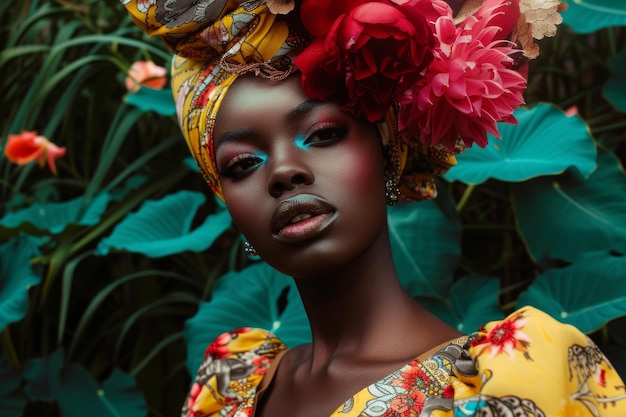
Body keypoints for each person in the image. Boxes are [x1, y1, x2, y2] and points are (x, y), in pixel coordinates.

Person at [122, 0, 626, 416]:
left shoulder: (507, 381)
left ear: (386, 153)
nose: (282, 172)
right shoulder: (228, 383)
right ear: (223, 196)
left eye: (322, 134)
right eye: (242, 163)